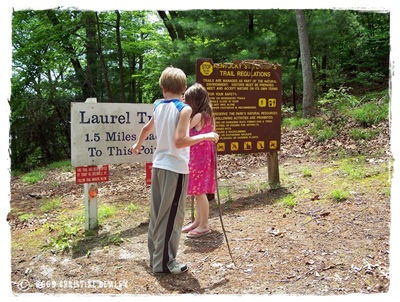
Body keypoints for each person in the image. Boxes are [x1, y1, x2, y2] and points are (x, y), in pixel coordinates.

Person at [131, 67, 219, 275]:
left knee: (158, 213)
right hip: (175, 169)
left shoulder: (158, 105)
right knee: (172, 216)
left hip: (158, 165)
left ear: (162, 88)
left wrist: (138, 145)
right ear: (183, 88)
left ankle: (155, 256)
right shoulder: (185, 109)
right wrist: (206, 136)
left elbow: (146, 129)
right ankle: (165, 263)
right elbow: (180, 141)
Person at [181, 83, 216, 239]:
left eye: (187, 101)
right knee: (197, 191)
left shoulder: (198, 116)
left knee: (200, 192)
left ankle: (204, 225)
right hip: (201, 157)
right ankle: (198, 221)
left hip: (198, 159)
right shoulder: (207, 114)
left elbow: (183, 127)